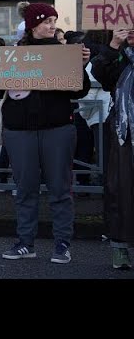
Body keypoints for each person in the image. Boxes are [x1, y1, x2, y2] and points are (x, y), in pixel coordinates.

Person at [0, 2, 90, 264]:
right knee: (25, 189)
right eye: (46, 21)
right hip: (20, 130)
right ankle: (25, 242)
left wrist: (80, 66)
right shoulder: (15, 53)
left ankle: (62, 243)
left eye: (53, 21)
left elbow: (80, 90)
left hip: (57, 128)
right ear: (32, 25)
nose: (52, 26)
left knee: (60, 189)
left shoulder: (65, 52)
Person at [91, 28, 134, 270]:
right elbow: (101, 74)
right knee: (120, 190)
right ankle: (120, 247)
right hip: (123, 133)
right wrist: (114, 46)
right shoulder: (120, 56)